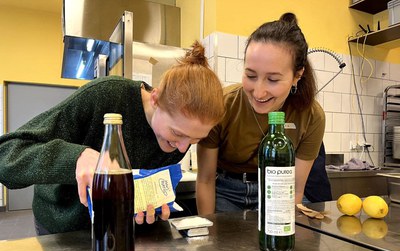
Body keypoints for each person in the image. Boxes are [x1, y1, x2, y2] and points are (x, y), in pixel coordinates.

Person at [0, 41, 225, 234]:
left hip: (116, 227)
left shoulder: (179, 139)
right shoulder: (105, 96)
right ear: (156, 99)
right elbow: (7, 155)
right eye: (177, 133)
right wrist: (77, 157)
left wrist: (146, 202)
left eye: (195, 140)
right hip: (64, 228)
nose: (182, 147)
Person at [196, 13, 329, 215]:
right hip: (225, 192)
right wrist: (210, 231)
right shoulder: (221, 104)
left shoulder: (312, 117)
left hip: (277, 191)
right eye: (250, 75)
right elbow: (205, 179)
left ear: (297, 76)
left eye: (273, 80)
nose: (258, 92)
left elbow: (295, 189)